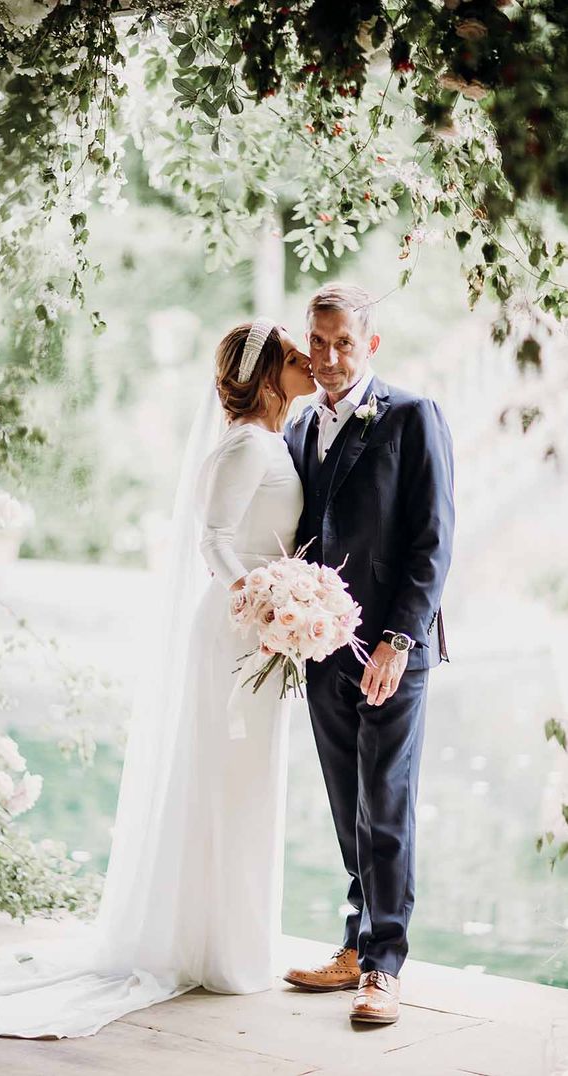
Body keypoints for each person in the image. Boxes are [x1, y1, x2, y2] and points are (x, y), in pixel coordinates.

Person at [0, 318, 317, 1038]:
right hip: (237, 629)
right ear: (266, 375)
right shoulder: (245, 444)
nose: (309, 365)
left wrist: (283, 606)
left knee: (245, 781)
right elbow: (215, 541)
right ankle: (206, 945)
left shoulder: (271, 440)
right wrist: (259, 599)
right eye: (294, 358)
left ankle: (233, 940)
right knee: (221, 779)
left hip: (261, 634)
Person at [283, 282, 455, 1025]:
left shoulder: (413, 416)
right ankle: (356, 943)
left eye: (342, 342)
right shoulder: (295, 425)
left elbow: (433, 538)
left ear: (370, 345)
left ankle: (384, 966)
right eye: (317, 342)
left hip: (393, 646)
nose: (327, 357)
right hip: (320, 646)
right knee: (347, 803)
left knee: (385, 801)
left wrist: (397, 637)